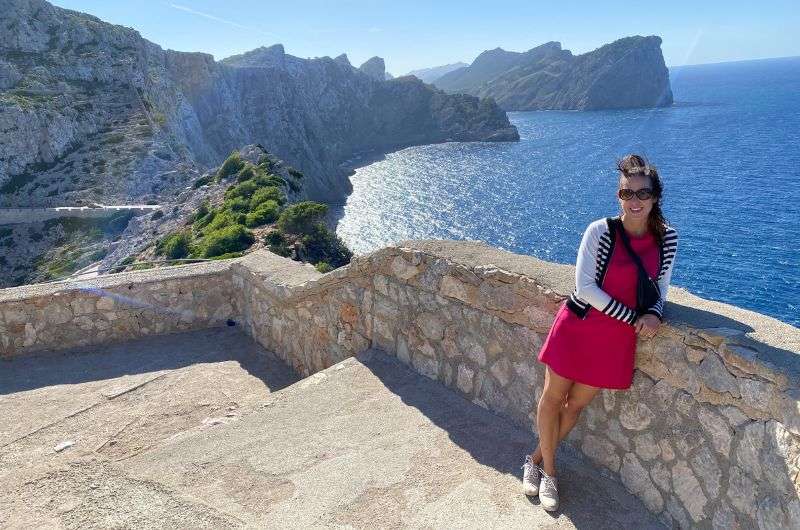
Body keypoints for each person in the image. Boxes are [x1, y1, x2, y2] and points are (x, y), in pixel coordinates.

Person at [520, 154, 678, 511]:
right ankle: (552, 474)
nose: (634, 201)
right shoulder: (601, 231)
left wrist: (653, 313)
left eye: (642, 193)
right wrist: (632, 317)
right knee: (552, 399)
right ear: (618, 196)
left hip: (613, 341)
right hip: (578, 328)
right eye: (627, 194)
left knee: (574, 405)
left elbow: (661, 287)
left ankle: (533, 461)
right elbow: (585, 287)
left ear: (655, 197)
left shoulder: (667, 239)